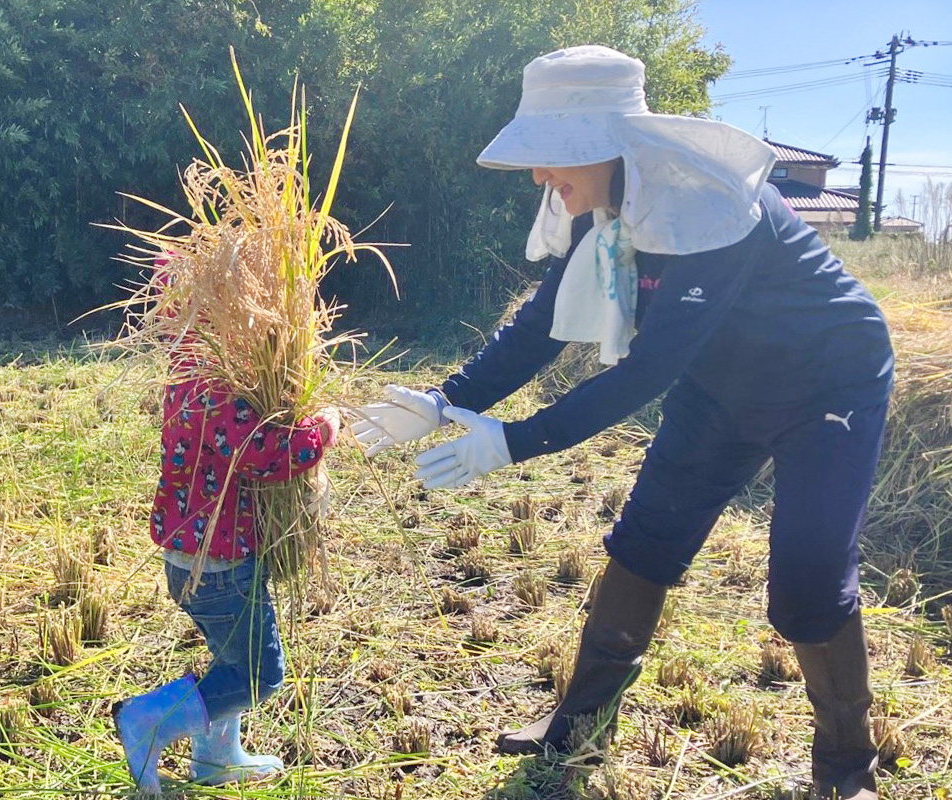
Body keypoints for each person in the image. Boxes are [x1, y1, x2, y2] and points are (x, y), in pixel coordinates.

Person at [353, 46, 891, 800]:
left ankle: (846, 770)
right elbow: (541, 326)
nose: (541, 175)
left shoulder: (715, 207)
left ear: (607, 145)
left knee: (806, 579)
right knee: (645, 541)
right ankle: (575, 726)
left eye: (552, 155)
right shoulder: (593, 206)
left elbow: (646, 371)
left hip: (826, 382)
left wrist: (514, 441)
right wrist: (446, 397)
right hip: (721, 384)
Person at [112, 328, 339, 794]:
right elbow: (267, 455)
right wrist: (323, 429)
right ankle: (147, 720)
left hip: (196, 555)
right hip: (217, 564)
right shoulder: (215, 388)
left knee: (229, 657)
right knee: (258, 674)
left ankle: (217, 759)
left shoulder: (187, 374)